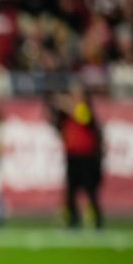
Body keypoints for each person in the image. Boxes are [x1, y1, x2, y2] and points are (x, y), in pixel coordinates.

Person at [50, 82, 104, 230]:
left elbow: (82, 116)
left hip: (87, 157)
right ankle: (73, 219)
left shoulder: (85, 111)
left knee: (90, 190)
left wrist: (65, 102)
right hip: (72, 156)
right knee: (71, 191)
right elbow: (56, 125)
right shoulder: (65, 116)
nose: (74, 98)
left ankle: (97, 220)